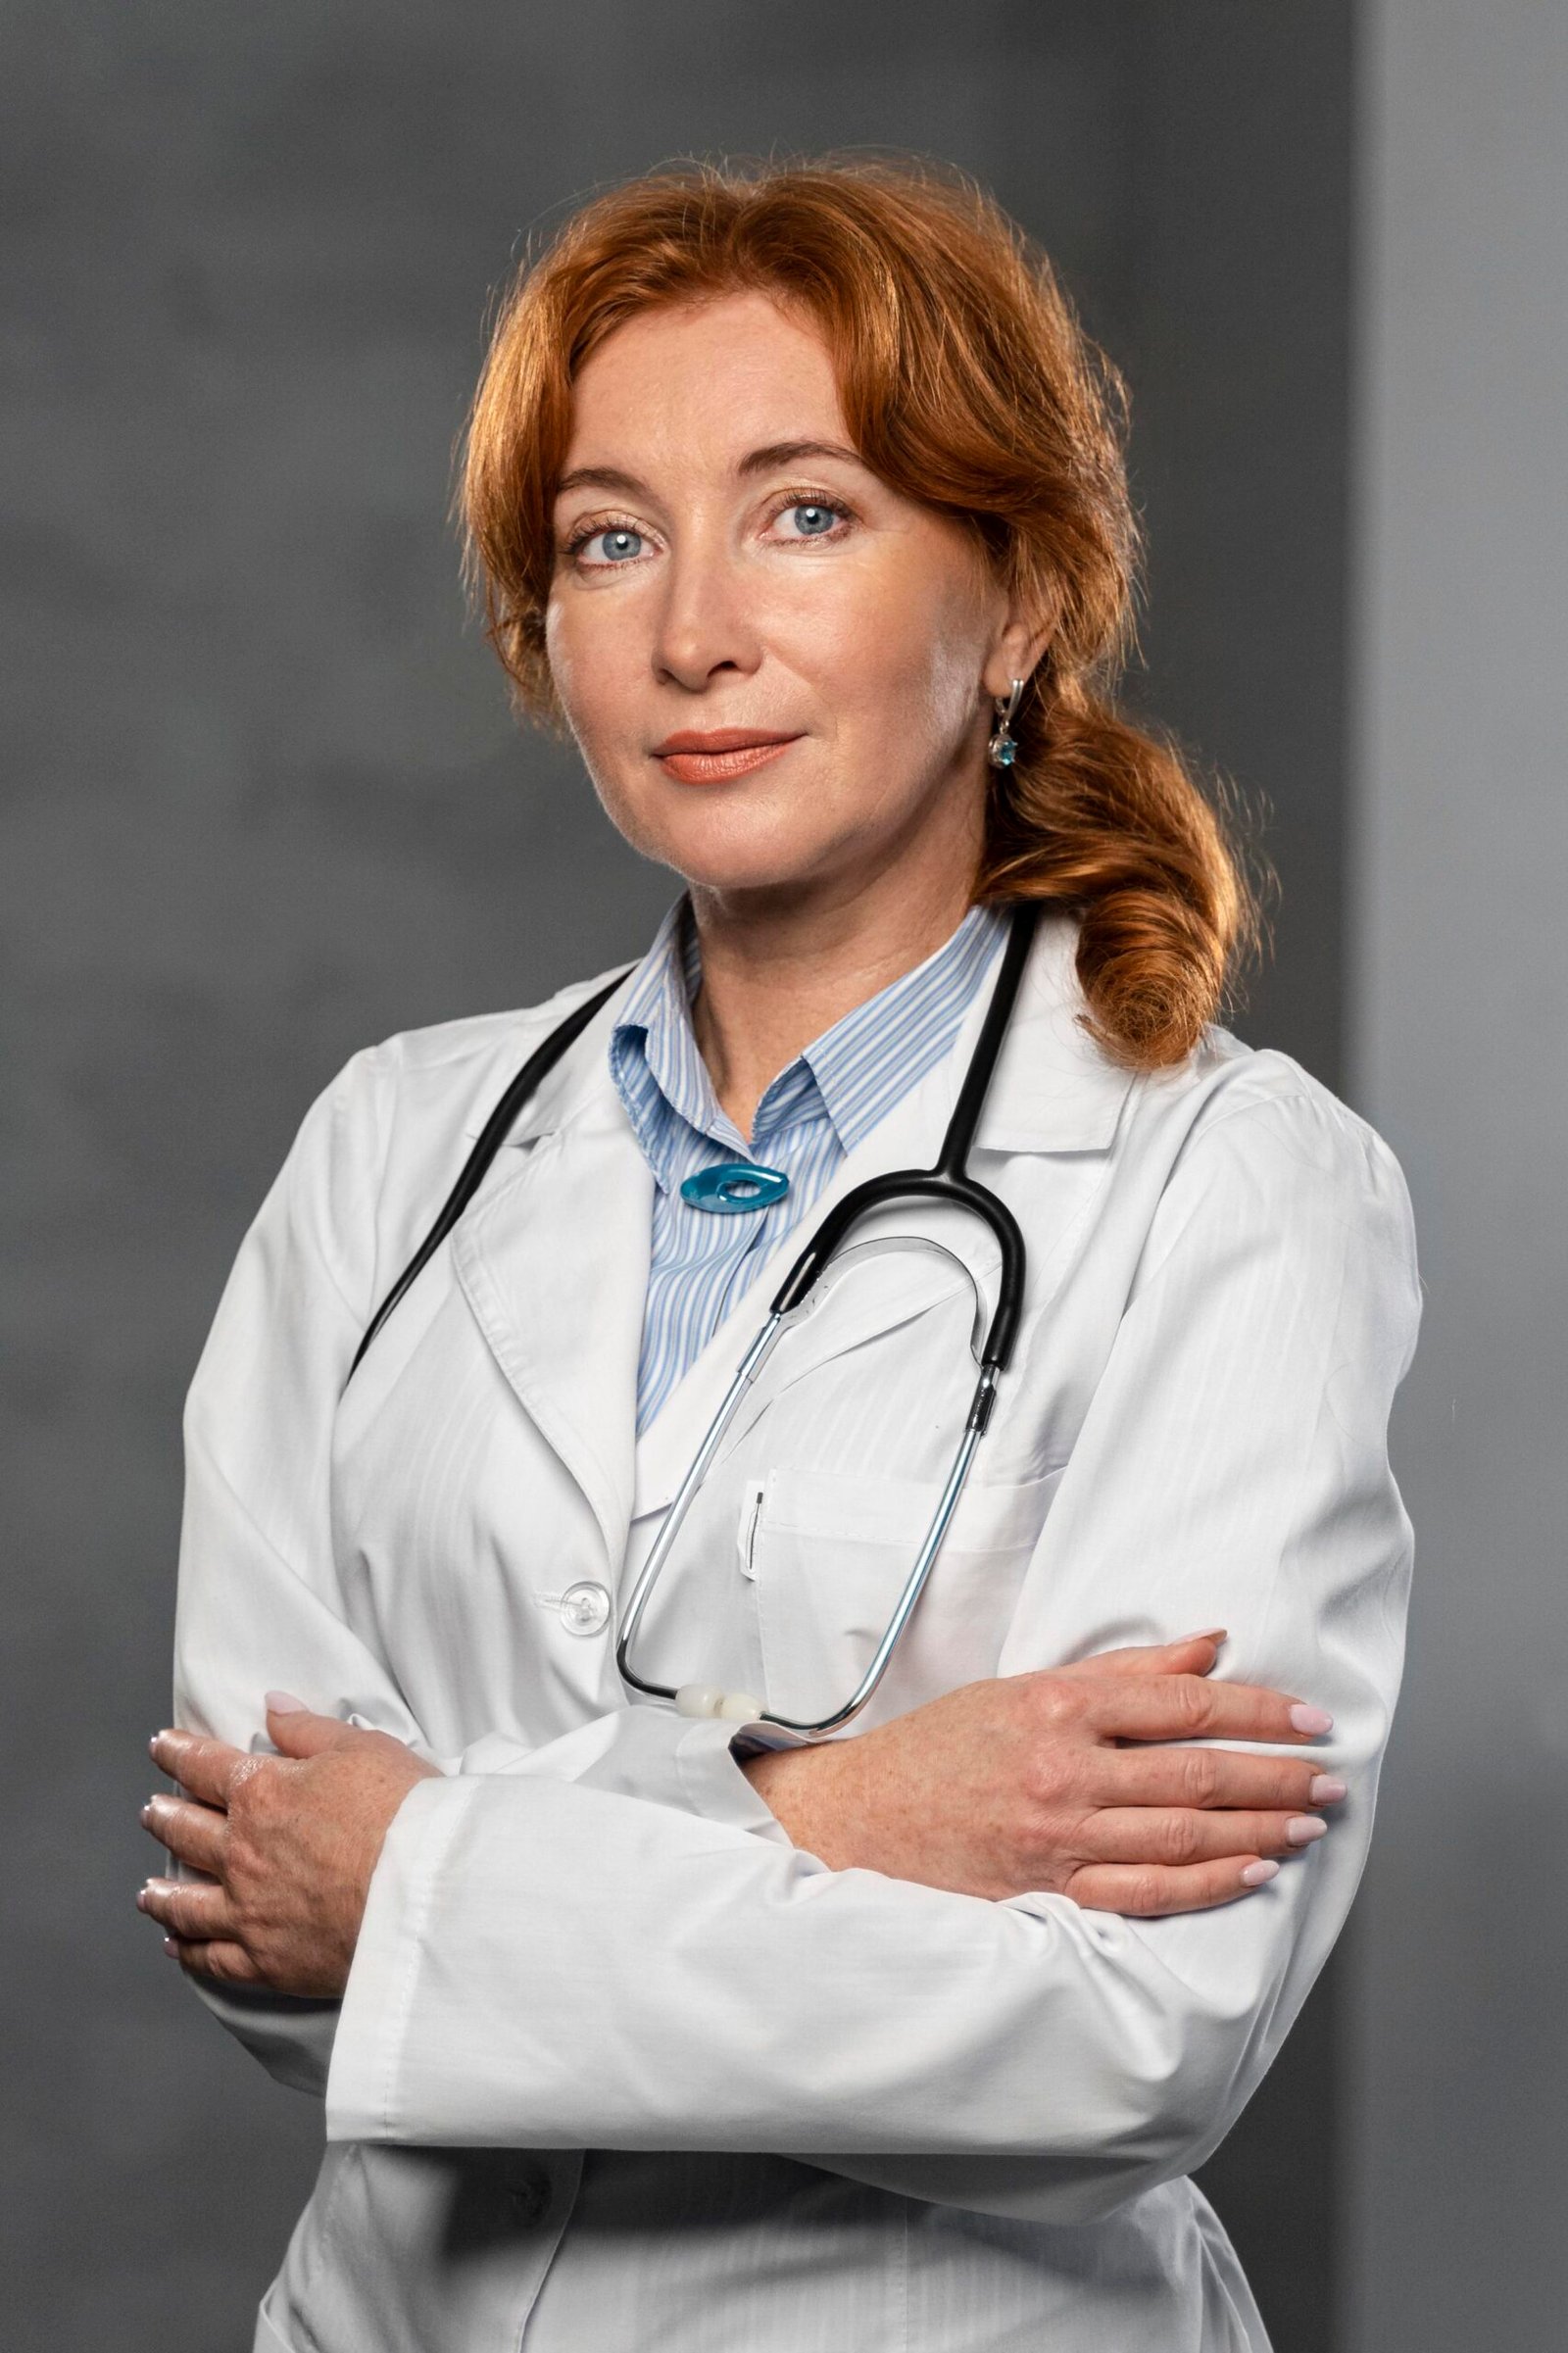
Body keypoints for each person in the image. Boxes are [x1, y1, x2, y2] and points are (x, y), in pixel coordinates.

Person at [136, 160, 1420, 2353]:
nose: (689, 630)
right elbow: (268, 1922)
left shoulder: (1230, 1180)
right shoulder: (390, 1149)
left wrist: (436, 1876)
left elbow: (1129, 2033)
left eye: (802, 513)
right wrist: (842, 1807)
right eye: (607, 538)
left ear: (1013, 599)